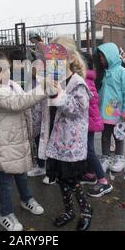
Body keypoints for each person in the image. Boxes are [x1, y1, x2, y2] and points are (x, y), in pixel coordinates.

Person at [0, 48, 50, 231]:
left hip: (17, 139)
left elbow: (23, 98)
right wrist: (43, 89)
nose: (9, 72)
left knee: (22, 173)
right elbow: (19, 103)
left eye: (8, 68)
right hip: (5, 143)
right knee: (6, 179)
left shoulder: (10, 86)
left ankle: (26, 199)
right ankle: (6, 213)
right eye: (3, 70)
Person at [37, 37, 93, 231]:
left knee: (72, 180)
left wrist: (57, 94)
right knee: (60, 179)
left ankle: (85, 210)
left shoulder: (77, 83)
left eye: (57, 58)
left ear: (69, 58)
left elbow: (77, 109)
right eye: (50, 59)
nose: (52, 63)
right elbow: (45, 109)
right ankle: (69, 210)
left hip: (71, 143)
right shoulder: (54, 80)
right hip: (55, 141)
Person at [95, 43, 125, 174]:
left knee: (118, 135)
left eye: (103, 57)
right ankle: (105, 158)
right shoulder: (101, 73)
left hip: (117, 113)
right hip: (104, 112)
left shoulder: (123, 73)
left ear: (110, 56)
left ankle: (119, 158)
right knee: (105, 135)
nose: (101, 59)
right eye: (100, 57)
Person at [81, 53, 113, 198]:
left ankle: (103, 181)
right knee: (86, 148)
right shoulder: (86, 78)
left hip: (88, 121)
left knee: (89, 150)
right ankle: (90, 174)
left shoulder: (85, 80)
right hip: (87, 120)